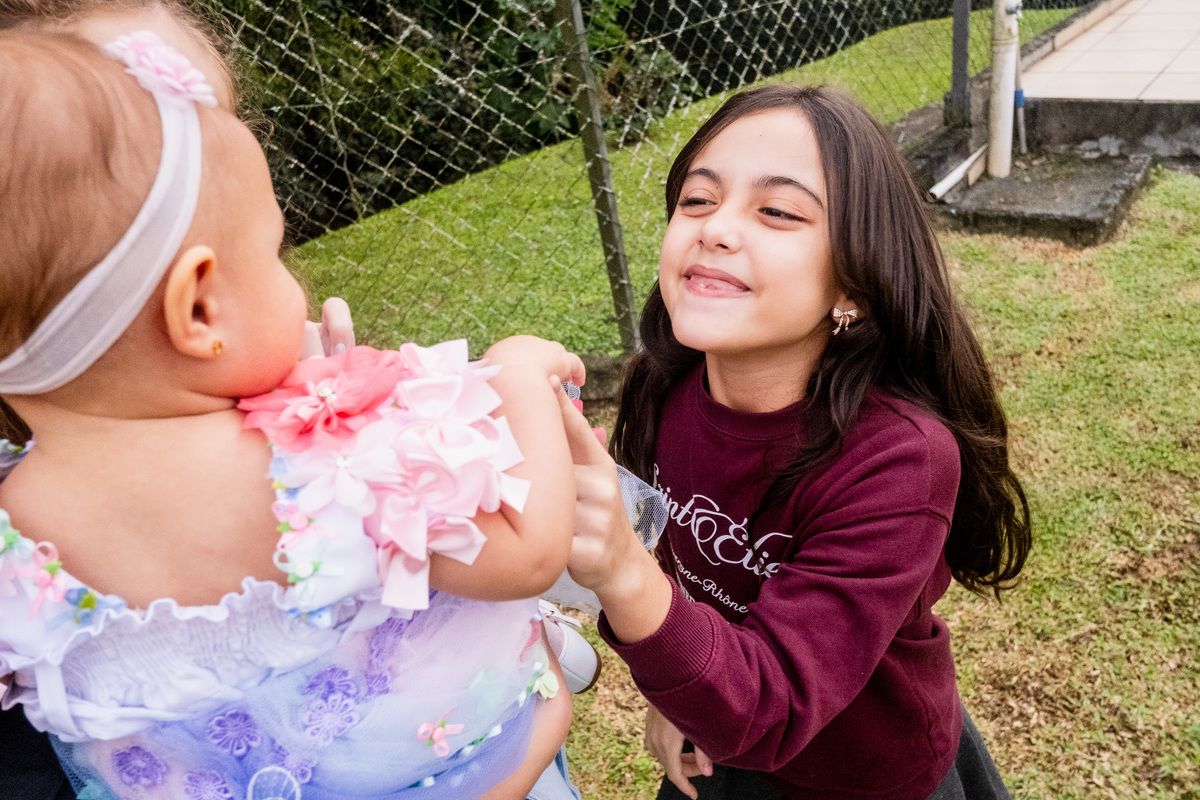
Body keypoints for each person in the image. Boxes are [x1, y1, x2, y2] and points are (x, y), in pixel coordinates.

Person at [0, 27, 582, 800]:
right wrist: (521, 368)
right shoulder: (329, 462)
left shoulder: (11, 537)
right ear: (198, 309)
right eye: (275, 252)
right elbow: (529, 553)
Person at [559, 84, 1033, 800]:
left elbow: (771, 706)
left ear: (855, 285)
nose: (716, 229)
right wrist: (675, 692)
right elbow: (678, 567)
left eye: (777, 211)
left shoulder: (900, 460)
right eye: (697, 200)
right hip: (720, 726)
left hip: (864, 775)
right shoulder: (665, 386)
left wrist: (624, 573)